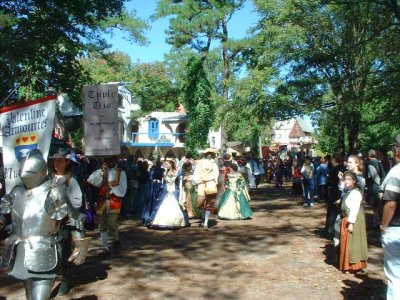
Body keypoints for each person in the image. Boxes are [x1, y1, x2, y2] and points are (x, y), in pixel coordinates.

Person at [0, 149, 89, 300]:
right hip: (21, 250)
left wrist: (80, 246)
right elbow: (4, 215)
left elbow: (74, 218)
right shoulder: (17, 191)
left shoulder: (54, 192)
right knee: (29, 295)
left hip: (44, 250)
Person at [49, 148, 83, 296]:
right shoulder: (47, 179)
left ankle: (66, 281)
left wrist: (64, 208)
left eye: (60, 160)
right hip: (47, 223)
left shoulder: (71, 181)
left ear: (66, 162)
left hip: (62, 223)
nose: (56, 163)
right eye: (55, 159)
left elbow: (77, 203)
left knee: (63, 253)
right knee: (49, 253)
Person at [87, 156, 127, 255]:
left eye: (111, 160)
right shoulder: (102, 172)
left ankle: (116, 238)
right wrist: (101, 172)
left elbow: (123, 188)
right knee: (102, 224)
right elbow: (91, 180)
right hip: (102, 202)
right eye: (107, 160)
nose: (109, 162)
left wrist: (112, 190)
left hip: (114, 201)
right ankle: (105, 247)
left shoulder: (121, 173)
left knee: (111, 223)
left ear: (115, 160)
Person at [380, 134, 400, 300]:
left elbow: (391, 203)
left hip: (396, 229)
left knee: (395, 276)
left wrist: (383, 226)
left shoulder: (396, 172)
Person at [338, 171, 368, 273]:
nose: (346, 181)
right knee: (347, 242)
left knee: (353, 243)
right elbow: (342, 187)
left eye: (349, 179)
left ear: (354, 181)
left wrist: (351, 223)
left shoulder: (355, 193)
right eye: (345, 179)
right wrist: (341, 180)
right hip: (346, 218)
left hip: (352, 219)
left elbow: (354, 209)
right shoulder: (349, 190)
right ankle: (347, 265)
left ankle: (354, 266)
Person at [146, 160, 189, 229]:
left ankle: (179, 222)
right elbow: (163, 183)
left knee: (177, 206)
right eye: (165, 164)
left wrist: (181, 193)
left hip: (174, 192)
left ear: (171, 164)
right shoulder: (165, 172)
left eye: (167, 164)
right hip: (166, 192)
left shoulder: (178, 173)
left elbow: (180, 184)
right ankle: (156, 221)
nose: (165, 166)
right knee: (160, 206)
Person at [193, 148, 219, 229]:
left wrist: (215, 181)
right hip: (201, 183)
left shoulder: (214, 163)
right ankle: (204, 218)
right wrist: (197, 181)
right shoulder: (200, 163)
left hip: (210, 183)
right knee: (200, 203)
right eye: (208, 153)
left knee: (209, 203)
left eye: (211, 153)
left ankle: (206, 223)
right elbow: (196, 172)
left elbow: (216, 172)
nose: (209, 155)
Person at [366, 149, 387, 229]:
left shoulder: (371, 163)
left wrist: (379, 186)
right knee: (378, 206)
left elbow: (374, 177)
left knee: (375, 206)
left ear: (369, 155)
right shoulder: (379, 162)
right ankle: (377, 222)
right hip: (380, 186)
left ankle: (376, 223)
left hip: (375, 187)